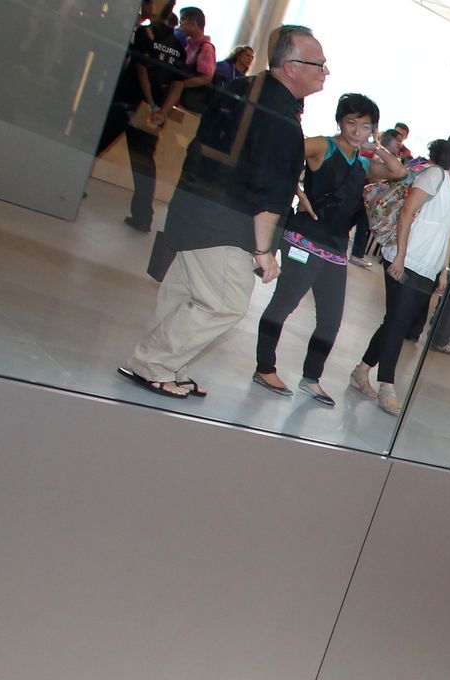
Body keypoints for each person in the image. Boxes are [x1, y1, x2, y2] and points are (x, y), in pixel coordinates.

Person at [121, 24, 323, 400]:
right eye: (319, 64)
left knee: (184, 292)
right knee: (223, 303)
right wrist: (264, 252)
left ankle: (170, 366)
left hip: (195, 204)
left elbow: (241, 157)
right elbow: (268, 194)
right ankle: (152, 364)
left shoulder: (243, 89)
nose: (324, 71)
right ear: (292, 66)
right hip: (227, 223)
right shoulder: (280, 118)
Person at [253, 93, 403, 403]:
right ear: (340, 121)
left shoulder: (364, 161)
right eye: (351, 123)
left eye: (365, 126)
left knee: (331, 319)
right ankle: (265, 367)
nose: (356, 131)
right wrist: (297, 192)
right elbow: (281, 153)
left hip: (336, 247)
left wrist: (376, 146)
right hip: (304, 238)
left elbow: (398, 173)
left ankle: (312, 377)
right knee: (284, 305)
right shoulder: (323, 145)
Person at [350, 131, 450, 415]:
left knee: (396, 321)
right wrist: (399, 255)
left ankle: (361, 370)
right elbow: (408, 212)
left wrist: (444, 271)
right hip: (405, 258)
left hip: (429, 265)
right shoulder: (435, 177)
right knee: (398, 323)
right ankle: (386, 385)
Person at [97, 0, 188, 234]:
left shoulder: (144, 34)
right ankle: (143, 216)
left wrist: (150, 104)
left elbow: (141, 69)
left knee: (96, 143)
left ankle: (67, 186)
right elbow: (178, 84)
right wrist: (161, 112)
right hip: (152, 114)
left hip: (128, 102)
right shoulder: (179, 45)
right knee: (144, 164)